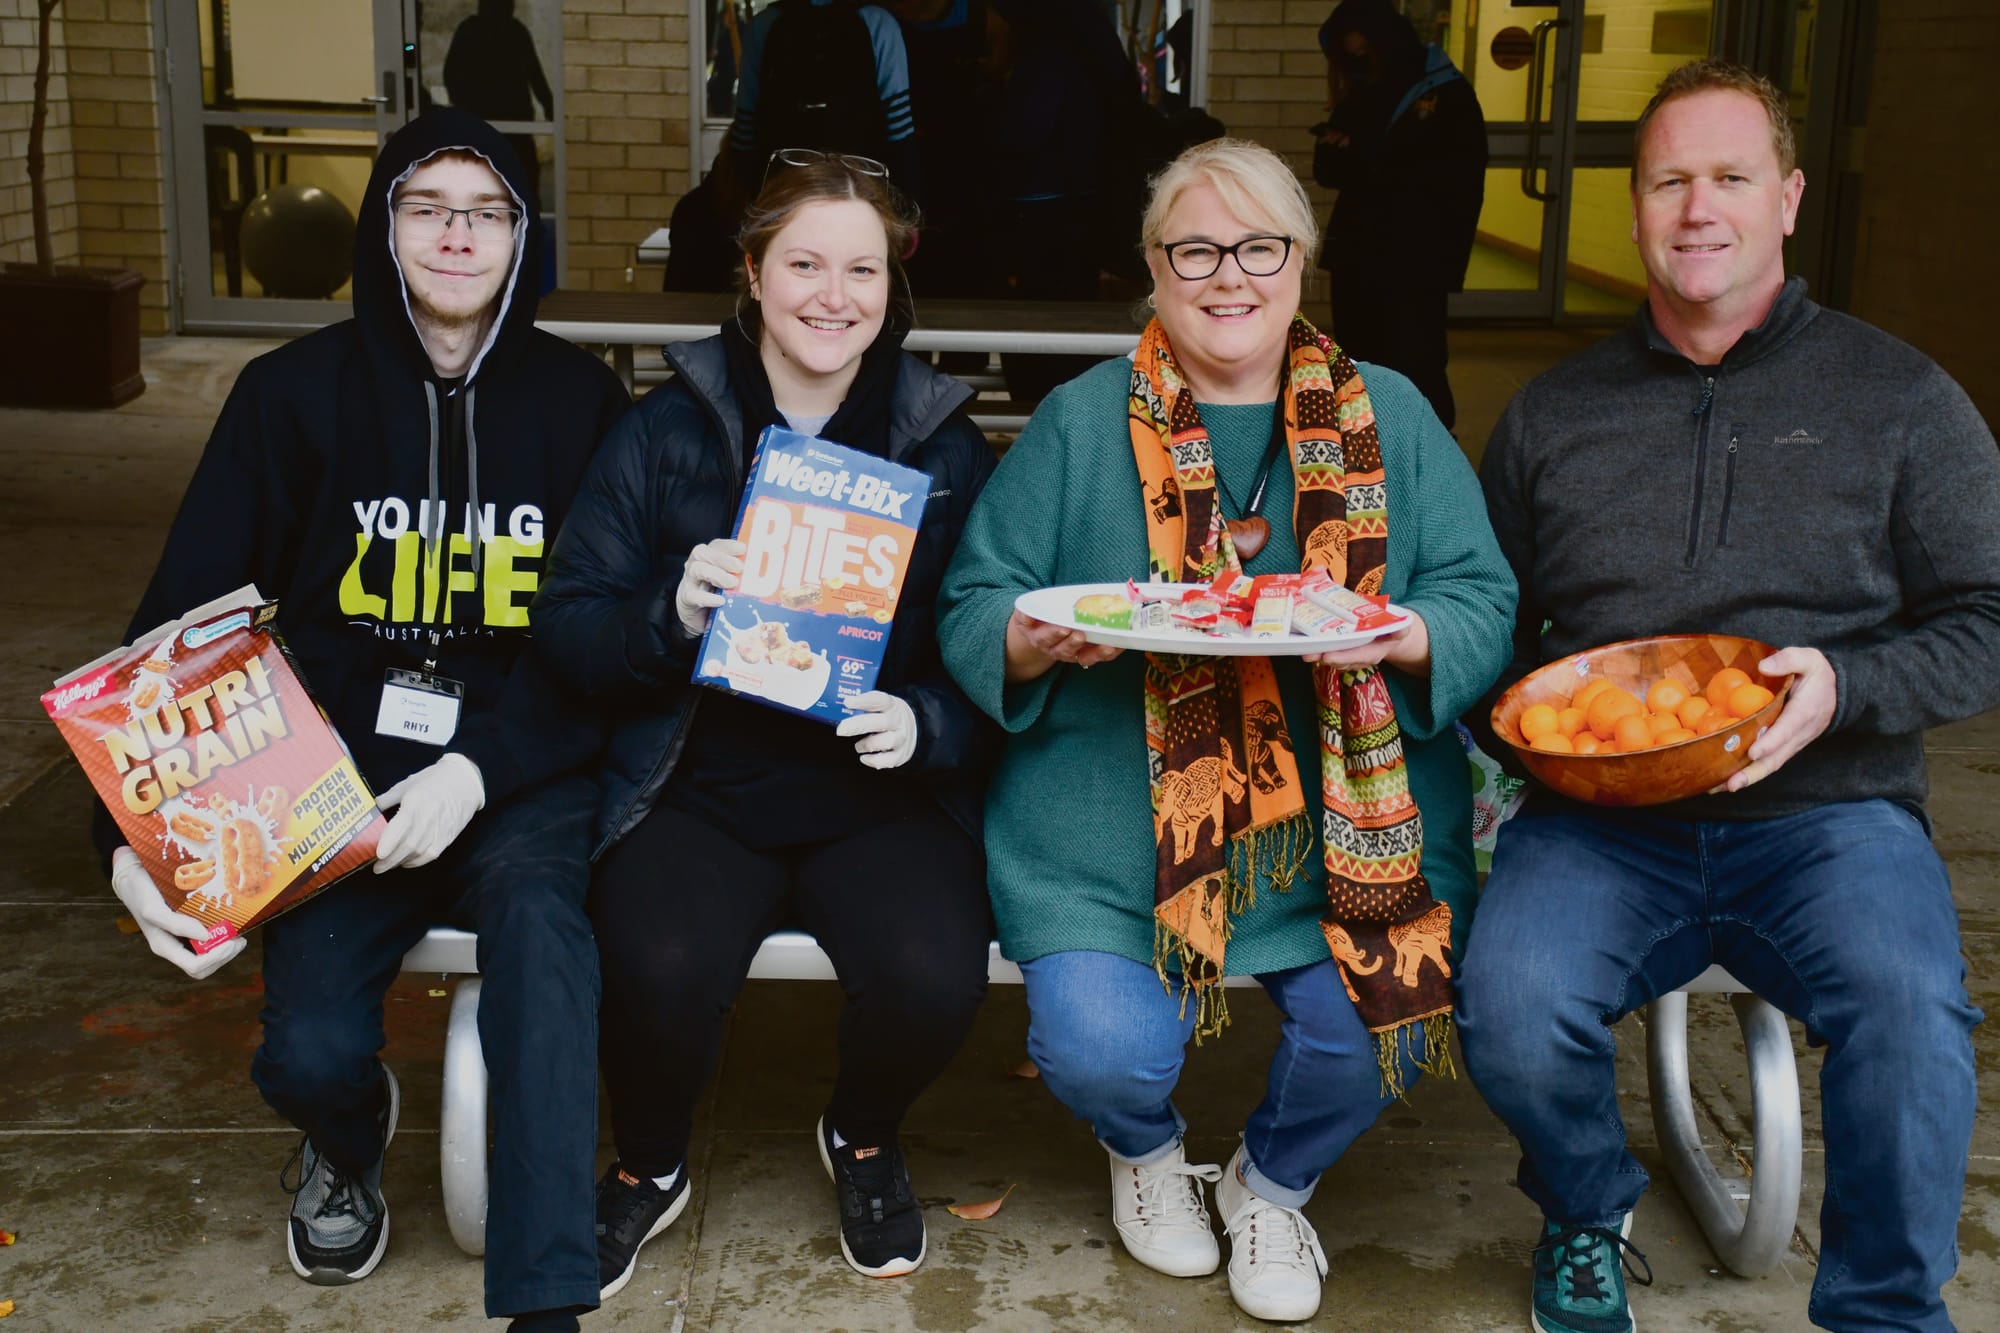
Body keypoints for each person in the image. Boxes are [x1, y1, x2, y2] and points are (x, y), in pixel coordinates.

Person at [1458, 61, 2000, 1333]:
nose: (1696, 208)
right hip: (1598, 819)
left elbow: (1986, 617)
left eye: (1728, 177)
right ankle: (1586, 1210)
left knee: (1910, 1014)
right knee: (1510, 1006)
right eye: (1667, 180)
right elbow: (1496, 623)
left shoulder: (1901, 399)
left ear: (1788, 198)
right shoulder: (1550, 413)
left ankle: (1879, 1310)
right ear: (1633, 206)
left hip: (1830, 815)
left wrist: (1852, 683)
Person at [936, 138, 1516, 1323]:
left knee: (1372, 1028)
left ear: (1301, 261)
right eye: (1193, 247)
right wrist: (1036, 637)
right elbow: (975, 597)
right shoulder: (1079, 419)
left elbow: (1478, 595)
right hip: (1112, 835)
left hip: (1346, 837)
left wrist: (1401, 634)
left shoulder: (1388, 415)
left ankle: (1271, 1181)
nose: (1227, 276)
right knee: (1102, 1051)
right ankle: (1146, 1156)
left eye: (1259, 246)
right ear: (1150, 267)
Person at [98, 110, 631, 1333]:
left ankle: (546, 1299)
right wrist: (130, 838)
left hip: (515, 772)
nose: (456, 234)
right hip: (328, 779)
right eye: (425, 205)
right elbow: (175, 630)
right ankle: (348, 1134)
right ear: (383, 225)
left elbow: (606, 644)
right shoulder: (286, 395)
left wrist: (482, 763)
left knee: (546, 961)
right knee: (308, 1052)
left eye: (485, 211)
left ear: (521, 236)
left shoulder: (580, 403)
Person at [529, 150, 999, 1293]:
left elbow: (991, 642)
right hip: (694, 781)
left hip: (873, 792)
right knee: (655, 963)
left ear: (892, 285)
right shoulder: (663, 430)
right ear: (749, 274)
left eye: (861, 268)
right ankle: (648, 1164)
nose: (831, 295)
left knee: (935, 976)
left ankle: (865, 1132)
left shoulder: (941, 443)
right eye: (802, 263)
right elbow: (567, 629)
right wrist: (670, 609)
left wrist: (928, 720)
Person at [1312, 0, 1485, 431]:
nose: (1354, 59)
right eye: (1347, 53)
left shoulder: (1443, 92)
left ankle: (1429, 460)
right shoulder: (1365, 88)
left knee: (1417, 364)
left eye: (1360, 49)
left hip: (1414, 261)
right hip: (1358, 254)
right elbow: (1330, 168)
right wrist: (1360, 158)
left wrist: (1365, 157)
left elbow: (1452, 180)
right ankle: (1365, 450)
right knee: (1358, 364)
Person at [726, 0, 921, 206]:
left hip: (784, 200)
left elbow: (744, 141)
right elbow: (901, 139)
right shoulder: (879, 23)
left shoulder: (764, 24)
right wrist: (908, 211)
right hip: (859, 200)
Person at [443, 0, 555, 206]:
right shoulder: (513, 31)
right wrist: (551, 110)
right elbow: (535, 76)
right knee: (521, 187)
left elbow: (450, 76)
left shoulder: (472, 31)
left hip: (487, 124)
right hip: (511, 124)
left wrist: (463, 107)